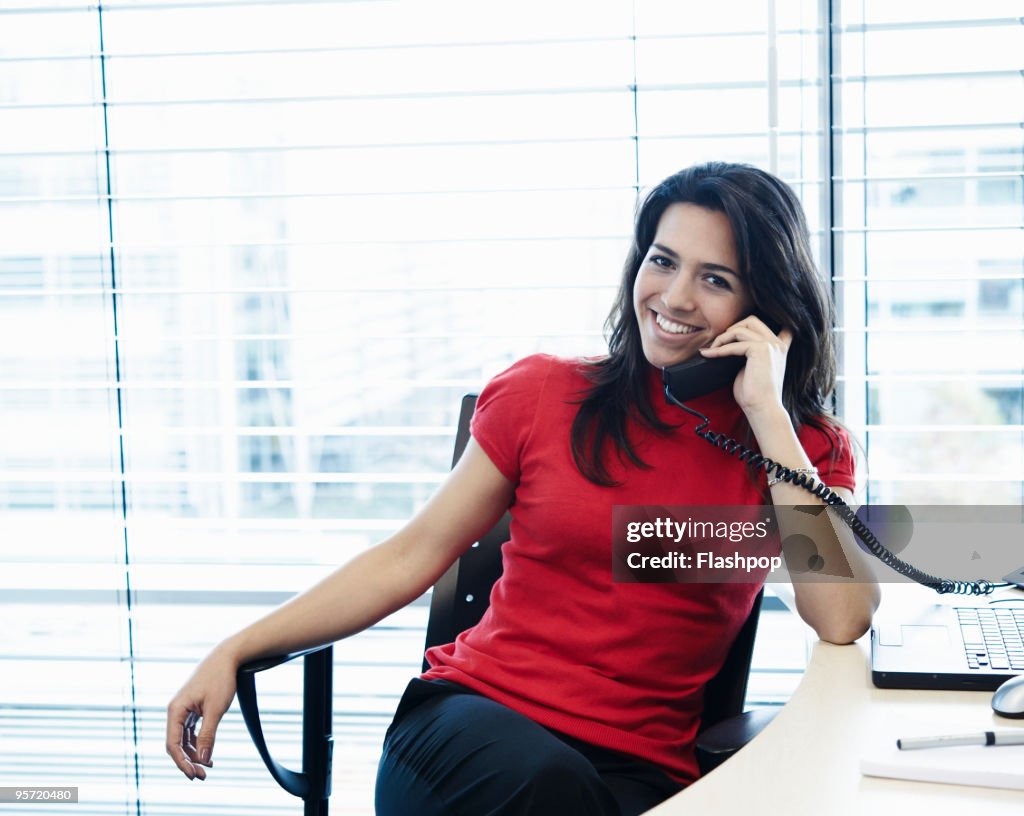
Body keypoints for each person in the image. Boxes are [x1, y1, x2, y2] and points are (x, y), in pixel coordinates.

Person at [166, 161, 880, 815]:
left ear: (768, 311)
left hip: (634, 771)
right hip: (466, 730)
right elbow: (411, 554)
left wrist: (766, 415)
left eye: (715, 279)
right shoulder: (547, 393)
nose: (675, 297)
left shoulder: (802, 450)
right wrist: (235, 647)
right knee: (545, 785)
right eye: (663, 262)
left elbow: (843, 616)